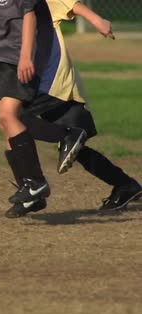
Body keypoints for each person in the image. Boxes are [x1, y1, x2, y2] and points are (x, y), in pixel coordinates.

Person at [16, 0, 141, 213]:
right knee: (75, 147)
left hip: (54, 81)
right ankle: (125, 185)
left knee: (14, 121)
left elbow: (69, 3)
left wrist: (97, 20)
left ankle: (32, 189)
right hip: (37, 83)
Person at [0, 0, 53, 218]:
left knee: (8, 116)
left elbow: (29, 15)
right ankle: (28, 191)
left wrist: (25, 57)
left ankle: (35, 181)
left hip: (14, 56)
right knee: (4, 120)